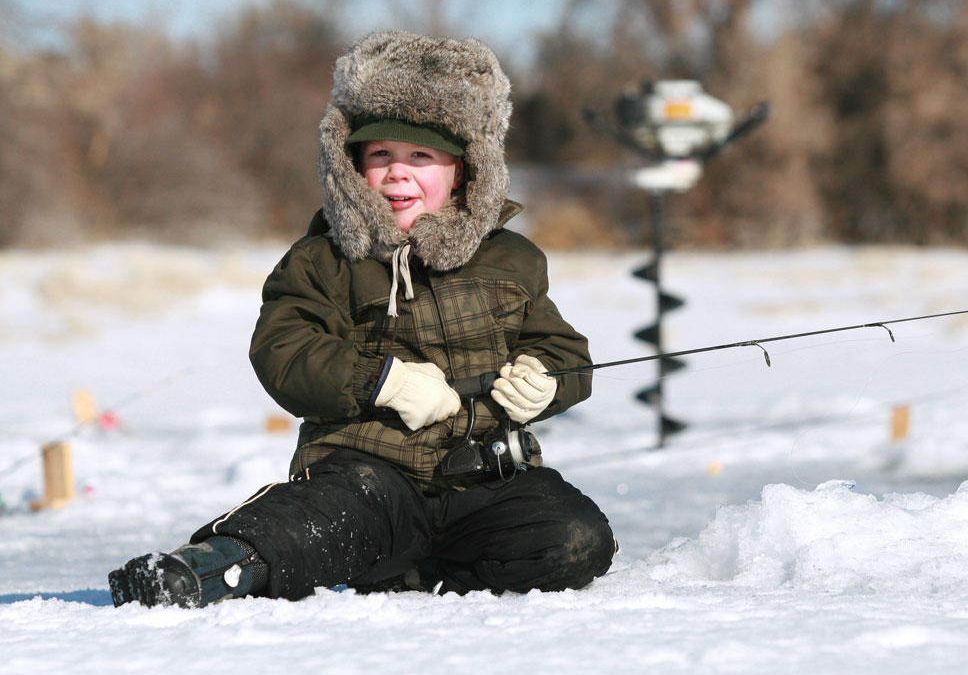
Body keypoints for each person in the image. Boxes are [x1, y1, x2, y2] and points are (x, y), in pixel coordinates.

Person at [109, 31, 616, 608]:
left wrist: (547, 380)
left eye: (421, 157)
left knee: (575, 539)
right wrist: (384, 380)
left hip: (485, 481)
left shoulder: (511, 259)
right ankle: (203, 571)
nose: (398, 174)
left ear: (464, 170)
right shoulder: (322, 259)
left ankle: (408, 574)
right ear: (352, 167)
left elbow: (567, 354)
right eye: (381, 157)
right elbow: (285, 350)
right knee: (304, 526)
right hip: (366, 475)